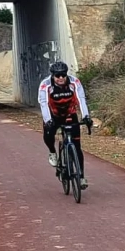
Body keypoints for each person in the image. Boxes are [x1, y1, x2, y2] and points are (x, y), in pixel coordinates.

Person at [38, 61, 93, 189]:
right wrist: (48, 120)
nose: (61, 78)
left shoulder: (74, 82)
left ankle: (81, 177)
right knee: (48, 135)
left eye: (63, 75)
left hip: (69, 114)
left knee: (77, 147)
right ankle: (52, 152)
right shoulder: (45, 84)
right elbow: (43, 103)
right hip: (53, 115)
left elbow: (81, 99)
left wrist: (86, 116)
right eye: (57, 76)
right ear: (53, 75)